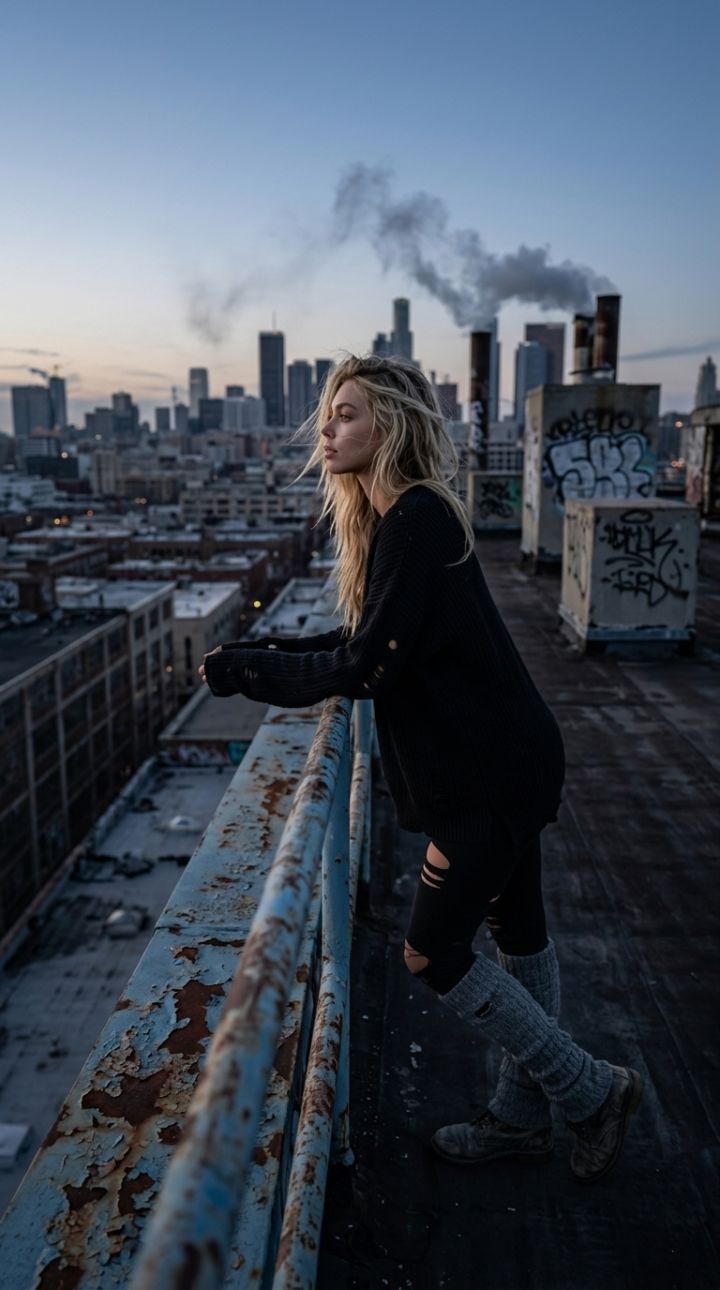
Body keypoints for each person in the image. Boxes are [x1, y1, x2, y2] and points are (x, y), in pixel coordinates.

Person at [199, 353, 643, 1184]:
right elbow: (361, 646)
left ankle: (590, 1090)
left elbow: (367, 673)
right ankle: (519, 1120)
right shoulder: (395, 520)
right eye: (329, 415)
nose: (328, 430)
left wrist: (247, 675)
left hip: (487, 775)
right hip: (503, 756)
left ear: (391, 427)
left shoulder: (416, 518)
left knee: (431, 952)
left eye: (348, 415)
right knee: (519, 934)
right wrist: (254, 653)